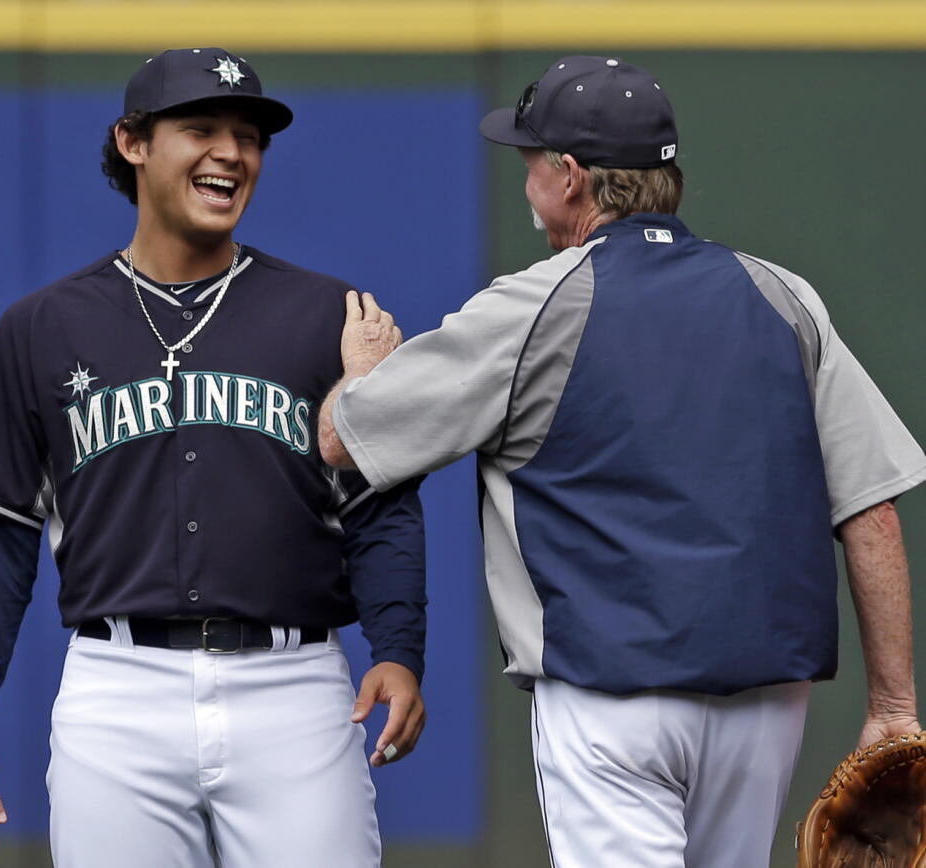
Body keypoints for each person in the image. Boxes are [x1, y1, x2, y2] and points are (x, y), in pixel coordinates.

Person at [319, 55, 924, 868]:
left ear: (570, 177)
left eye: (532, 157)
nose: (526, 175)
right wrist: (893, 703)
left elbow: (344, 442)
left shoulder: (531, 306)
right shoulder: (785, 298)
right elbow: (870, 508)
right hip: (765, 709)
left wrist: (362, 373)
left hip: (609, 700)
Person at [0, 47, 427, 868]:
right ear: (132, 142)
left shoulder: (327, 316)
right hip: (118, 690)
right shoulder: (41, 329)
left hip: (295, 690)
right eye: (200, 129)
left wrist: (400, 651)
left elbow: (381, 510)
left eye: (248, 136)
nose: (230, 153)